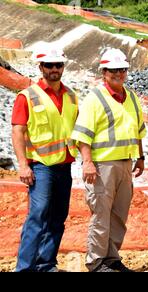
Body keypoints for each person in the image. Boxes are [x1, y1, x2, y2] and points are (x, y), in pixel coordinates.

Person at [71, 48, 146, 272]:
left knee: (119, 215)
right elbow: (82, 134)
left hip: (125, 164)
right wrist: (87, 162)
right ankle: (96, 262)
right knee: (101, 215)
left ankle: (112, 258)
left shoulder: (131, 97)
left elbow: (138, 130)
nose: (118, 74)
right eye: (113, 70)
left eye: (122, 69)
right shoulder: (95, 98)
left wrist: (140, 157)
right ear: (104, 72)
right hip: (102, 166)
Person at [12, 45, 78, 272]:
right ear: (41, 67)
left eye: (58, 65)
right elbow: (18, 131)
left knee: (58, 217)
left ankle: (46, 264)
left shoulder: (71, 96)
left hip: (65, 166)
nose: (54, 69)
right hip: (41, 166)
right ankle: (25, 268)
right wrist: (23, 165)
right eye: (49, 65)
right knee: (38, 217)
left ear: (63, 67)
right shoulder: (27, 96)